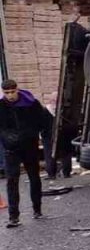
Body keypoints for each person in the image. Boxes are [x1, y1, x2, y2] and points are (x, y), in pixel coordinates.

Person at [0, 80, 51, 227]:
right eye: (7, 93)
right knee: (12, 181)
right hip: (10, 149)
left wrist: (33, 134)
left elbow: (44, 122)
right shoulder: (1, 106)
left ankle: (37, 210)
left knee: (34, 178)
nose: (10, 96)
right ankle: (13, 216)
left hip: (29, 146)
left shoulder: (31, 104)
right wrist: (6, 137)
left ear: (17, 90)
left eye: (12, 92)